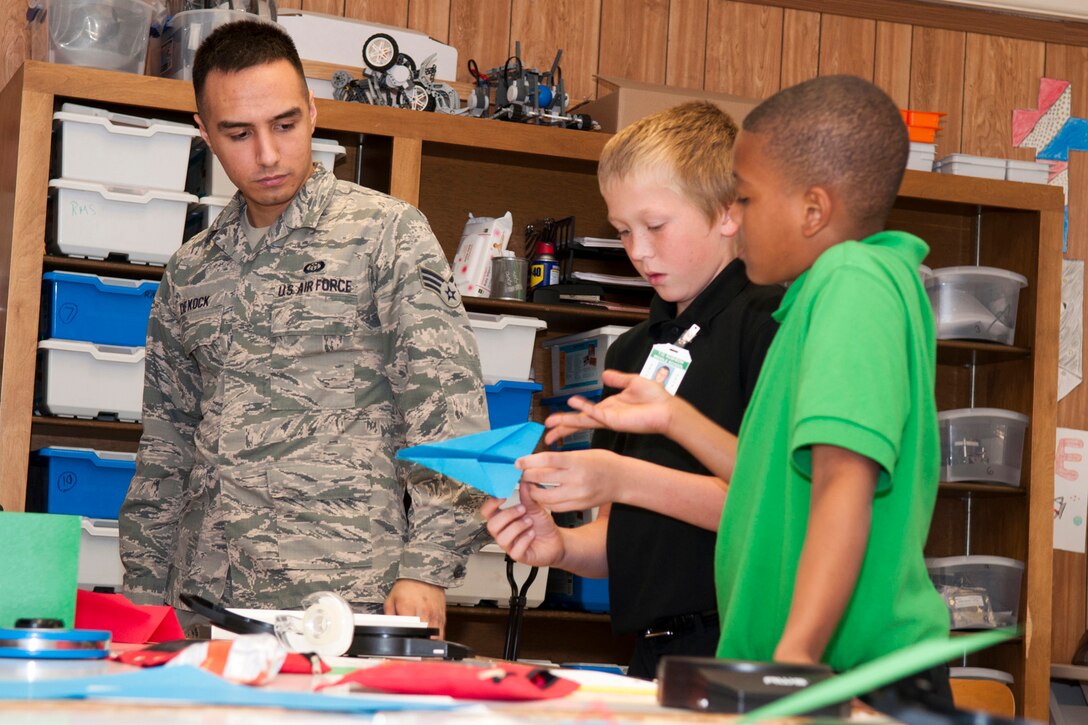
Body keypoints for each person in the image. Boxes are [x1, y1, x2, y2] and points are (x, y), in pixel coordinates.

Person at [537, 75, 953, 705]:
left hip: (841, 669)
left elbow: (843, 487)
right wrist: (674, 421)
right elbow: (772, 487)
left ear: (813, 210)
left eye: (749, 202)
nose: (738, 218)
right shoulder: (817, 302)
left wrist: (795, 656)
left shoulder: (854, 282)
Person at [119, 20, 489, 634]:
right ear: (205, 133)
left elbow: (448, 408)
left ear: (314, 112)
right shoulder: (190, 272)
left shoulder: (386, 234)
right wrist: (144, 594)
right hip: (207, 601)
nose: (266, 154)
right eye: (239, 133)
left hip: (345, 599)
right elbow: (166, 449)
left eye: (285, 125)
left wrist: (428, 565)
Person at [483, 101, 782, 678]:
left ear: (728, 213)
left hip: (746, 647)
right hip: (653, 652)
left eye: (655, 226)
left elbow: (775, 504)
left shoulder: (767, 323)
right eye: (623, 231)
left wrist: (621, 476)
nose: (638, 252)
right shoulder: (632, 350)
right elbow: (628, 535)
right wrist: (561, 548)